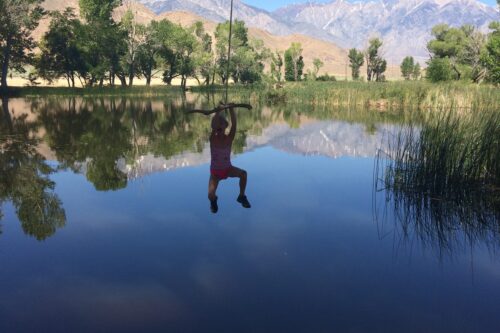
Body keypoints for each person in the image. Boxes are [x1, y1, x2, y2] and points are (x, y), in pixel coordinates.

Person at [208, 107, 250, 213]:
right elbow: (213, 125)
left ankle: (241, 196)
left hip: (228, 169)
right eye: (217, 126)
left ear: (225, 126)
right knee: (210, 195)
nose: (218, 128)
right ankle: (214, 201)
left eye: (221, 125)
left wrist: (231, 110)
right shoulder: (213, 139)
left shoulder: (229, 138)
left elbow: (234, 125)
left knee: (243, 174)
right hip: (215, 174)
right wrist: (217, 112)